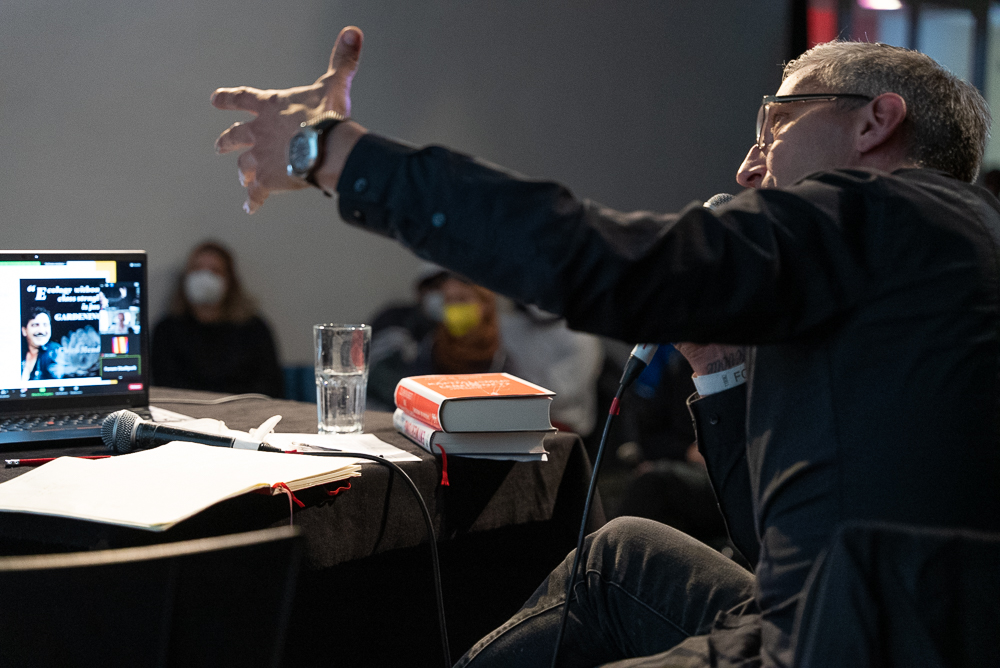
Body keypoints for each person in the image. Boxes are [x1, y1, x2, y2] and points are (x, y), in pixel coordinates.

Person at [211, 30, 1000, 667]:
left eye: (777, 124)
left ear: (875, 121)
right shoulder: (931, 251)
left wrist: (338, 154)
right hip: (855, 602)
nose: (747, 164)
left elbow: (597, 257)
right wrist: (718, 370)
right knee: (619, 554)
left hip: (854, 640)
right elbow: (773, 547)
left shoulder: (880, 214)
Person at [367, 263, 509, 411]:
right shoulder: (429, 343)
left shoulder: (501, 353)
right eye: (449, 300)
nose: (455, 308)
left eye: (461, 299)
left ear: (485, 304)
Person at [152, 240, 283, 397]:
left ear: (229, 281)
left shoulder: (254, 328)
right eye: (197, 269)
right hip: (186, 410)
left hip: (245, 409)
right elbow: (166, 386)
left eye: (215, 271)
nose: (205, 277)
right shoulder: (166, 330)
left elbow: (270, 386)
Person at [21, 306, 58, 382]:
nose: (41, 330)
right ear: (24, 330)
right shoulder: (16, 353)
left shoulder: (55, 352)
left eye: (45, 325)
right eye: (35, 325)